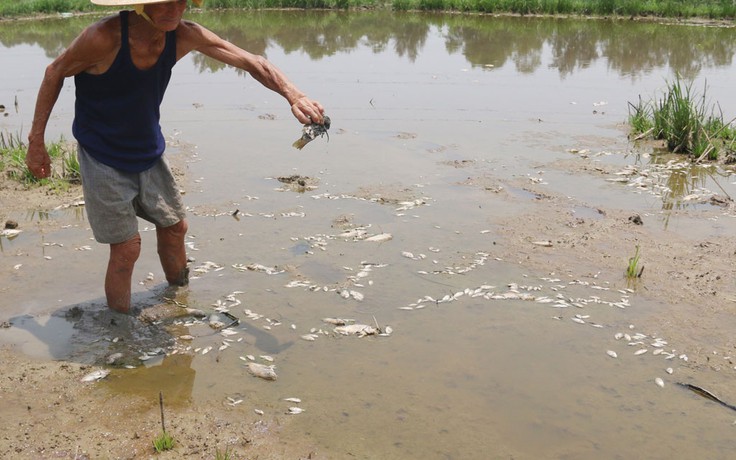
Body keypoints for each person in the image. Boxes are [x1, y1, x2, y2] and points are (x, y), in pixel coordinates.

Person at [25, 0, 325, 314]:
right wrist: (36, 142)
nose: (175, 9)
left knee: (174, 228)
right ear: (141, 5)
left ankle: (180, 297)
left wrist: (294, 94)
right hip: (103, 153)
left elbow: (252, 61)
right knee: (127, 249)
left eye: (182, 1)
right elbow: (54, 71)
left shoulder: (184, 35)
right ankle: (120, 325)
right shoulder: (103, 37)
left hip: (148, 149)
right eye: (165, 2)